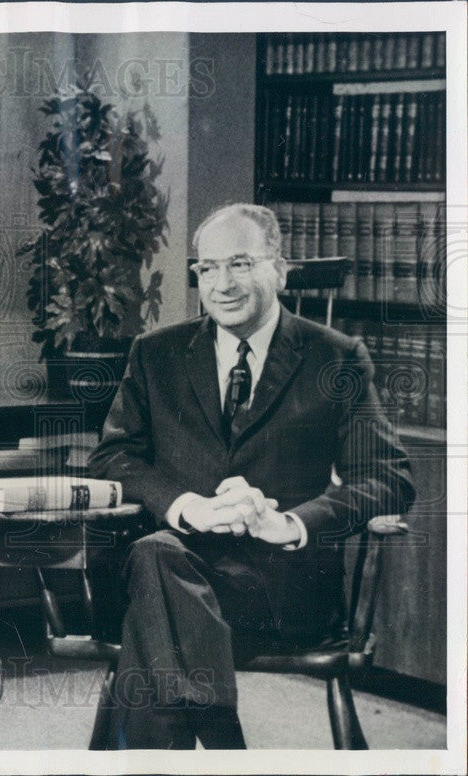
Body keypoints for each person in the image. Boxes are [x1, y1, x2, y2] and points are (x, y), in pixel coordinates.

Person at [87, 203, 414, 749]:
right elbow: (112, 458)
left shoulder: (335, 358)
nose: (221, 284)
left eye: (239, 264)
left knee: (154, 582)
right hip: (181, 562)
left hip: (283, 587)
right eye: (208, 268)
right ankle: (223, 746)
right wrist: (185, 505)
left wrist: (291, 522)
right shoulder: (156, 354)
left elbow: (389, 477)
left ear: (279, 270)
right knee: (160, 557)